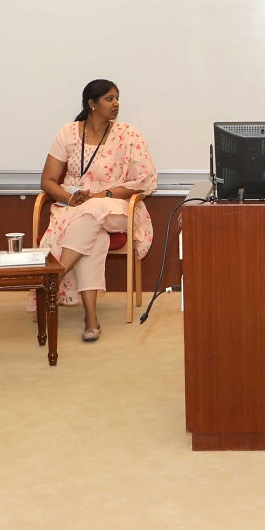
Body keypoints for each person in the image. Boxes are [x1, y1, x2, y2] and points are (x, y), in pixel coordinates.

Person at [37, 79, 157, 342]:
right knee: (92, 234)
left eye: (117, 98)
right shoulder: (68, 133)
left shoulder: (128, 134)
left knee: (94, 212)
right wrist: (69, 199)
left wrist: (105, 194)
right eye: (109, 99)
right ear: (92, 104)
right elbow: (47, 181)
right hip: (75, 207)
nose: (116, 104)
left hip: (117, 207)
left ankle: (54, 277)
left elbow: (145, 181)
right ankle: (91, 318)